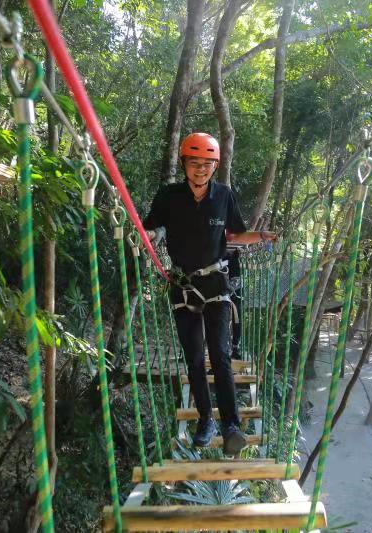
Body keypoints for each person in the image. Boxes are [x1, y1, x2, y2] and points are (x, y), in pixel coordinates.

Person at [143, 132, 276, 455]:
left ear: (215, 166)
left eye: (207, 164)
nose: (200, 169)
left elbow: (235, 234)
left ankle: (231, 425)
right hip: (183, 285)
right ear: (184, 164)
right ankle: (205, 420)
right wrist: (148, 236)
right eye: (194, 163)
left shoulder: (223, 195)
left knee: (220, 355)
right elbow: (151, 227)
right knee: (193, 358)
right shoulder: (169, 196)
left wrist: (262, 237)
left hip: (216, 283)